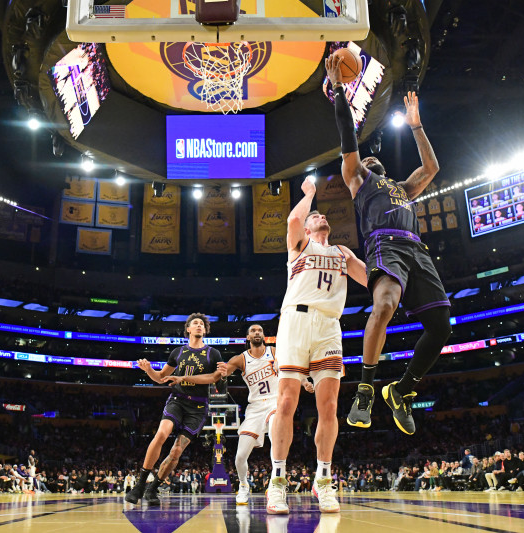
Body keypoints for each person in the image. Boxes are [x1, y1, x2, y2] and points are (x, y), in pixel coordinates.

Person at [327, 53, 452, 435]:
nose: (371, 157)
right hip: (386, 245)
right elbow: (348, 139)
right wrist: (337, 92)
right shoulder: (359, 179)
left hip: (417, 250)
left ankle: (402, 390)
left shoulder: (401, 188)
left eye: (373, 156)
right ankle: (365, 388)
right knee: (383, 305)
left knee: (441, 326)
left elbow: (431, 169)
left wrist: (416, 127)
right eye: (366, 157)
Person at [265, 178, 368, 515]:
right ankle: (277, 481)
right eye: (315, 215)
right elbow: (293, 220)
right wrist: (309, 195)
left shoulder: (342, 252)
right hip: (294, 321)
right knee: (286, 402)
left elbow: (370, 279)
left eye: (322, 214)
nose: (319, 216)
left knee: (329, 405)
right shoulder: (299, 246)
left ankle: (323, 479)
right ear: (309, 228)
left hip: (328, 325)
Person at [124, 313, 224, 506]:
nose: (199, 326)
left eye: (202, 324)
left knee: (176, 452)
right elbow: (161, 377)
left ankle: (154, 488)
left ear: (205, 330)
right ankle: (141, 484)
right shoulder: (177, 352)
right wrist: (149, 370)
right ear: (188, 329)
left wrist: (182, 379)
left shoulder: (213, 353)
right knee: (161, 434)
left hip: (198, 407)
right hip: (177, 400)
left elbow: (213, 378)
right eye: (195, 323)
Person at [220, 324, 314, 505]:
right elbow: (222, 374)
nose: (257, 333)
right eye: (253, 331)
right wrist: (223, 374)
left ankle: (275, 483)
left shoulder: (274, 352)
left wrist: (304, 381)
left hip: (274, 402)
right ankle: (243, 485)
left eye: (260, 331)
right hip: (254, 408)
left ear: (263, 335)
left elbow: (291, 367)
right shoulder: (240, 359)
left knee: (275, 435)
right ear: (248, 337)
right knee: (240, 456)